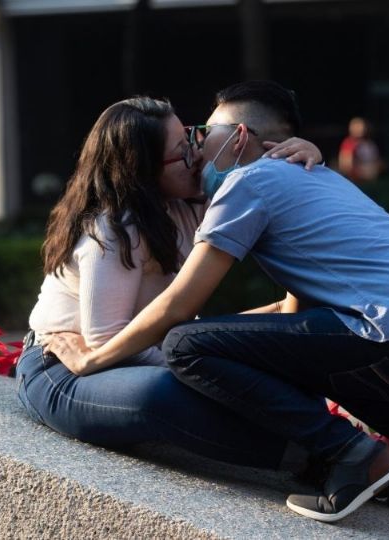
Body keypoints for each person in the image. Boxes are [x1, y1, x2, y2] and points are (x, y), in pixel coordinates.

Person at [45, 82, 389, 523]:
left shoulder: (246, 185)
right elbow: (296, 314)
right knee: (290, 353)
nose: (197, 148)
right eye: (187, 142)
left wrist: (93, 359)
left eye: (204, 133)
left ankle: (350, 455)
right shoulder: (313, 175)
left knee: (185, 343)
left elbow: (180, 309)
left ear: (239, 138)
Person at [17, 96, 323, 470]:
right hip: (66, 368)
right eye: (182, 152)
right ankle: (310, 458)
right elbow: (103, 342)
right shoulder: (113, 228)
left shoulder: (185, 204)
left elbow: (257, 187)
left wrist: (302, 157)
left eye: (192, 138)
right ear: (141, 168)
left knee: (278, 359)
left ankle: (323, 444)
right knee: (160, 395)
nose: (198, 156)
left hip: (135, 354)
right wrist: (208, 367)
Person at [338, 116, 381, 183]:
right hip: (356, 181)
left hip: (372, 179)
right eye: (356, 126)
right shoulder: (348, 144)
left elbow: (376, 161)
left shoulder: (370, 143)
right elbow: (346, 166)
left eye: (361, 126)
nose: (359, 129)